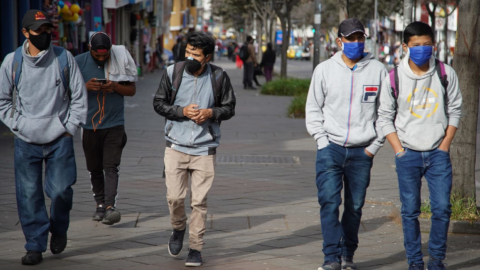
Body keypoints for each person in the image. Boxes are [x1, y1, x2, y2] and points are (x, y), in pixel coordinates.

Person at [0, 10, 87, 265]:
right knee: (28, 195)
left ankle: (59, 229)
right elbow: (3, 101)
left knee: (61, 191)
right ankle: (35, 245)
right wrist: (18, 125)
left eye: (48, 29)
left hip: (59, 138)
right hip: (25, 140)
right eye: (39, 31)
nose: (46, 34)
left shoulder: (64, 58)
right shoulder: (11, 62)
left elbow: (79, 97)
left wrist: (69, 127)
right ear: (26, 33)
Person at [377, 22, 462, 270]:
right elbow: (384, 117)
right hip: (408, 154)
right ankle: (415, 262)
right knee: (409, 211)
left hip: (438, 153)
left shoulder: (446, 73)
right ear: (405, 46)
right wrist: (399, 151)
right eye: (416, 46)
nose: (422, 50)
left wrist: (445, 145)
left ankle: (436, 261)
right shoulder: (393, 77)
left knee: (442, 209)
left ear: (434, 45)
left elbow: (455, 110)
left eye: (427, 45)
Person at [305, 18, 387, 270]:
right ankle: (331, 258)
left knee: (354, 206)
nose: (356, 43)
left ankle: (347, 255)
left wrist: (373, 146)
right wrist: (321, 141)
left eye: (360, 38)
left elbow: (385, 113)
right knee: (329, 202)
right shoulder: (324, 70)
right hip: (330, 148)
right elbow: (313, 109)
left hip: (362, 152)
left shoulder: (378, 70)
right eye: (350, 38)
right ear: (339, 41)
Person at [153, 31, 236, 267]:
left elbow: (229, 108)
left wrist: (211, 113)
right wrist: (182, 111)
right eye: (188, 51)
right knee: (174, 198)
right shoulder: (173, 72)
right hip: (175, 146)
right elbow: (158, 103)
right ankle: (178, 228)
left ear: (207, 57)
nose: (189, 56)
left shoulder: (219, 76)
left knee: (198, 203)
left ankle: (196, 248)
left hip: (204, 148)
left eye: (195, 54)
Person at [74, 32, 137, 225]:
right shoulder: (78, 62)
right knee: (94, 167)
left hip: (114, 123)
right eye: (97, 55)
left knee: (111, 166)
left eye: (105, 55)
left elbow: (132, 91)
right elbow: (67, 92)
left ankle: (110, 207)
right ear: (90, 49)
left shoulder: (119, 59)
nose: (102, 58)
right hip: (89, 125)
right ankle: (99, 204)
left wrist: (115, 87)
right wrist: (86, 87)